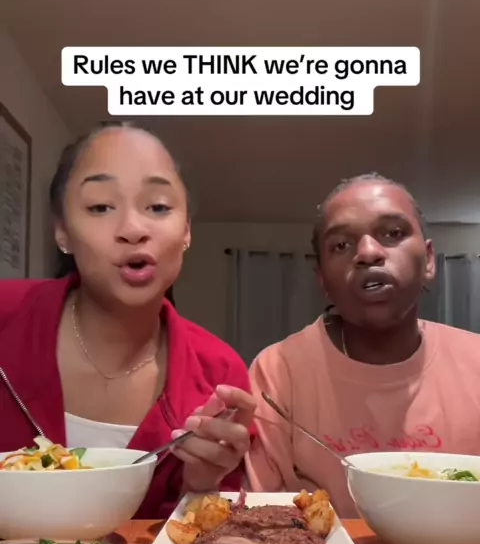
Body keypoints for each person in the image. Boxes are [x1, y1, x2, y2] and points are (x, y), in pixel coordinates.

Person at [0, 121, 255, 519]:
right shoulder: (7, 315)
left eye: (158, 207)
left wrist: (200, 486)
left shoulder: (219, 374)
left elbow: (202, 537)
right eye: (100, 207)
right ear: (62, 231)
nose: (133, 229)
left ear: (186, 230)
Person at [245, 172, 480, 516]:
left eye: (393, 233)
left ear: (429, 260)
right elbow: (259, 517)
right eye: (341, 245)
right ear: (323, 280)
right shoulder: (279, 371)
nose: (368, 253)